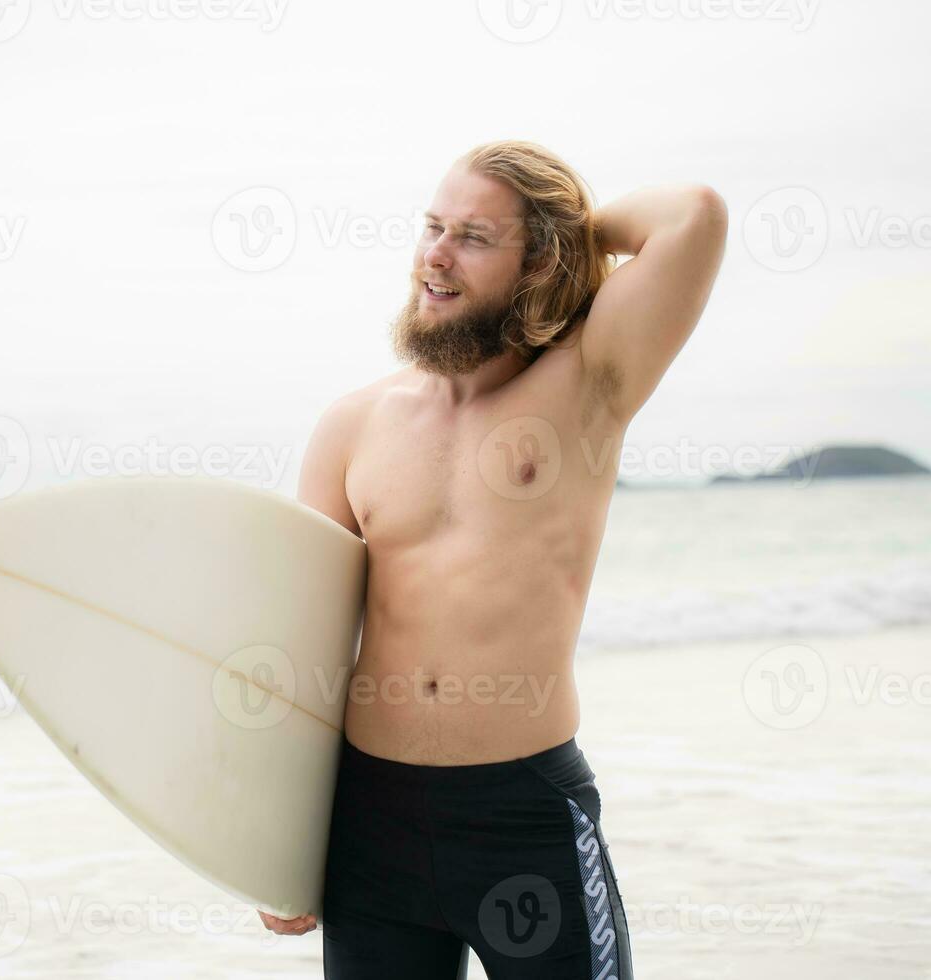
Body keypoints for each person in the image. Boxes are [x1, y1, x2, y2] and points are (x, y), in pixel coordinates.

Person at [258, 139, 727, 979]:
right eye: (433, 226)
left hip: (522, 816)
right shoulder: (354, 425)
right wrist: (279, 838)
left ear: (539, 259)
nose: (434, 255)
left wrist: (572, 228)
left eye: (474, 236)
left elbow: (695, 215)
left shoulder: (588, 384)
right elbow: (304, 648)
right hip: (372, 825)